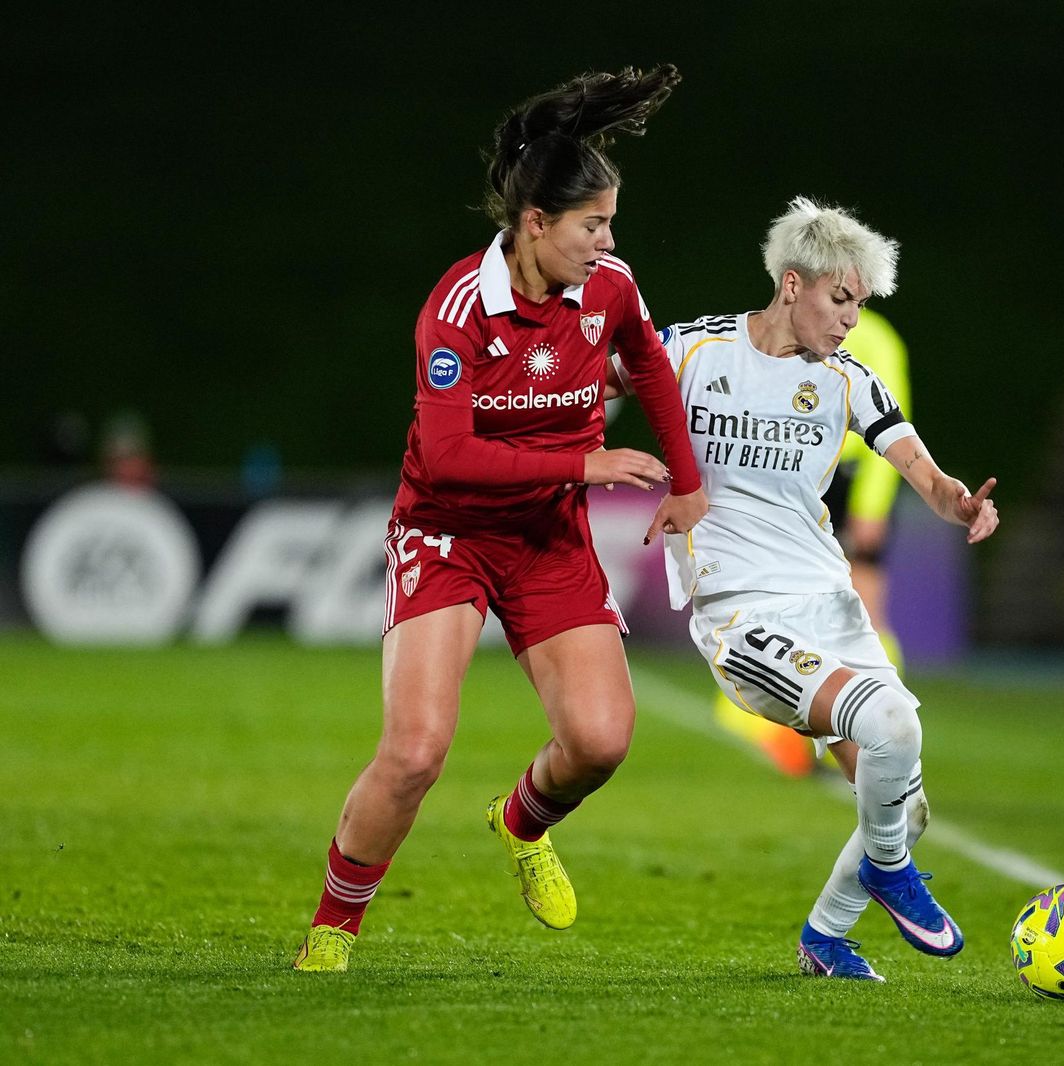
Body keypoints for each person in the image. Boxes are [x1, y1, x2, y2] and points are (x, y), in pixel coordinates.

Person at [292, 66, 708, 972]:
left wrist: (686, 482)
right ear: (535, 224)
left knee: (600, 742)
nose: (607, 242)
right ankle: (334, 927)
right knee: (414, 752)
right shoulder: (458, 309)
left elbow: (650, 369)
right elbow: (447, 458)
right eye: (592, 225)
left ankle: (521, 823)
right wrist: (585, 462)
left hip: (546, 538)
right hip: (448, 535)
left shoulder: (609, 288)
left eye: (608, 223)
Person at [609, 196, 998, 980]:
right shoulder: (691, 351)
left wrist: (955, 500)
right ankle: (888, 875)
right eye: (842, 299)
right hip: (741, 611)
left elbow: (916, 465)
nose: (853, 320)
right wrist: (574, 456)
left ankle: (827, 935)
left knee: (901, 796)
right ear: (793, 285)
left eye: (861, 304)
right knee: (890, 725)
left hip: (829, 603)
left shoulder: (849, 382)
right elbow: (596, 391)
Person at [712, 307, 912, 776]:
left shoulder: (878, 339)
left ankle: (881, 719)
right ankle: (786, 724)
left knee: (861, 606)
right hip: (800, 476)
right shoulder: (795, 330)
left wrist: (872, 505)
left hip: (849, 479)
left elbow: (893, 424)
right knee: (779, 599)